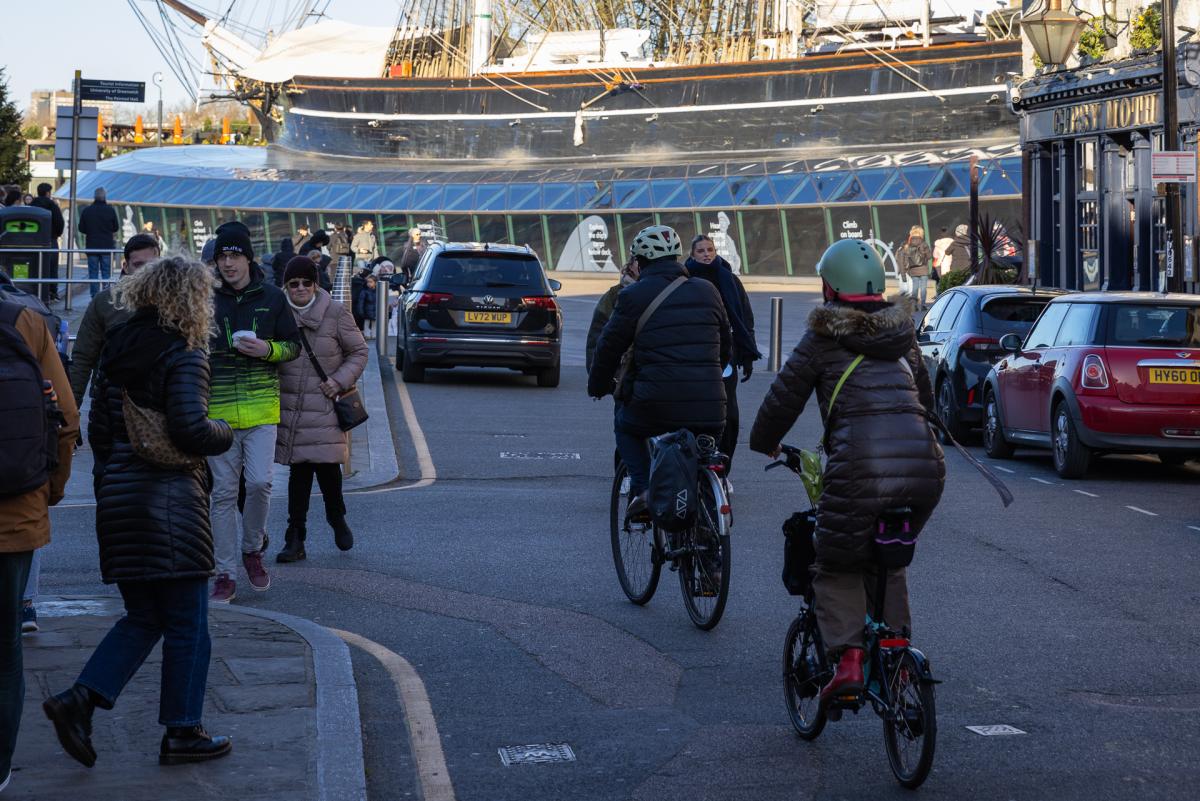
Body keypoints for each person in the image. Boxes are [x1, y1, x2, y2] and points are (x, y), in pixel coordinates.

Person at [42, 255, 235, 768]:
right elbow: (191, 429)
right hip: (170, 503)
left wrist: (117, 476)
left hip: (122, 500)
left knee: (144, 615)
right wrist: (225, 430)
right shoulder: (185, 353)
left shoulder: (118, 351)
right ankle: (183, 731)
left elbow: (102, 435)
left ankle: (79, 699)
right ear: (191, 299)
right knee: (189, 623)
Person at [748, 239, 944, 705]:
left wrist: (763, 442)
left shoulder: (823, 338)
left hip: (860, 469)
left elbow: (785, 396)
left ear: (830, 286)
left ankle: (850, 659)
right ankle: (897, 661)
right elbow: (925, 399)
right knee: (889, 560)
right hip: (923, 468)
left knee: (835, 564)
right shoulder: (902, 336)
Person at [588, 225, 730, 519]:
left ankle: (642, 490)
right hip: (711, 406)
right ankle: (711, 546)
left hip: (655, 404)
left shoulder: (632, 296)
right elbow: (725, 346)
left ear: (639, 263)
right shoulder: (708, 290)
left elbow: (608, 347)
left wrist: (598, 385)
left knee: (625, 426)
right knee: (702, 450)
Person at [0, 298, 79, 792]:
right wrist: (47, 491)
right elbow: (66, 419)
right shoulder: (24, 320)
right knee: (6, 648)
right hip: (16, 507)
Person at [207, 228, 300, 603]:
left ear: (248, 258)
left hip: (262, 408)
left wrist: (266, 350)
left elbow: (293, 347)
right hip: (218, 413)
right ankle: (225, 572)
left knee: (261, 483)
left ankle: (252, 549)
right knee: (223, 495)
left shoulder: (273, 298)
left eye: (234, 256)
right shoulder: (205, 299)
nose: (227, 263)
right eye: (221, 257)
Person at [275, 257, 368, 563]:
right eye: (293, 283)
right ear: (286, 286)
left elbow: (359, 351)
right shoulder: (278, 313)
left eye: (306, 282)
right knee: (299, 474)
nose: (300, 288)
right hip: (292, 407)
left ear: (315, 284)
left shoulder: (335, 312)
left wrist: (338, 381)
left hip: (327, 403)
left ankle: (337, 518)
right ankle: (295, 537)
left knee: (328, 469)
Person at [684, 234, 761, 477]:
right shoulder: (683, 279)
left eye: (710, 249)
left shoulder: (729, 279)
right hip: (692, 360)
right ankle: (693, 467)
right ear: (691, 254)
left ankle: (722, 472)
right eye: (701, 251)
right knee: (693, 416)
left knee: (729, 417)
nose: (707, 254)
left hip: (725, 360)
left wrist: (746, 354)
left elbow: (744, 318)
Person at [69, 233, 162, 406]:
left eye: (152, 265)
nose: (145, 272)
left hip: (157, 400)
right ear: (126, 266)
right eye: (139, 265)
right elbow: (83, 357)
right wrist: (70, 411)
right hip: (110, 400)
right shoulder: (105, 302)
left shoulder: (174, 301)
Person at [585, 252, 639, 375]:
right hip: (624, 372)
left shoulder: (663, 292)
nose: (642, 265)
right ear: (630, 266)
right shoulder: (614, 296)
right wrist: (597, 372)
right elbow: (597, 335)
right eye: (637, 260)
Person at [78, 188, 120, 299]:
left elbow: (81, 228)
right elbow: (116, 227)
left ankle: (94, 297)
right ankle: (106, 297)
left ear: (94, 197)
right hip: (106, 246)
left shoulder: (87, 210)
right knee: (106, 273)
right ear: (104, 196)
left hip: (92, 246)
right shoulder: (110, 210)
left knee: (93, 273)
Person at [29, 184, 65, 303]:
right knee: (52, 268)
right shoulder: (52, 206)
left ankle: (33, 290)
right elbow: (60, 223)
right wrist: (56, 234)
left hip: (33, 241)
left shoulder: (31, 205)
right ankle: (52, 292)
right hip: (50, 240)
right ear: (48, 193)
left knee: (34, 266)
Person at [896, 225, 932, 311]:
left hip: (913, 270)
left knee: (914, 289)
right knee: (923, 289)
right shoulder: (924, 244)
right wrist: (925, 255)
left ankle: (914, 306)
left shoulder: (908, 245)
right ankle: (923, 305)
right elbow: (930, 256)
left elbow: (905, 257)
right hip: (923, 269)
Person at [356, 274, 378, 339]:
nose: (369, 283)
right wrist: (360, 310)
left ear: (375, 283)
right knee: (367, 323)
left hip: (374, 310)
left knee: (374, 323)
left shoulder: (378, 291)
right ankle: (367, 334)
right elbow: (361, 302)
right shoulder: (364, 291)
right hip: (367, 310)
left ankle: (374, 335)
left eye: (371, 282)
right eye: (368, 282)